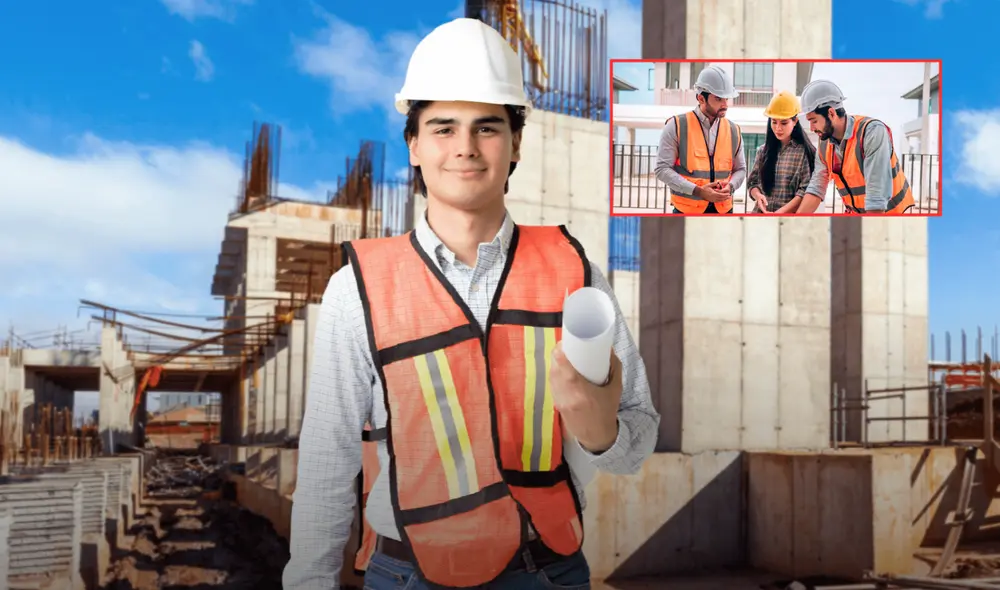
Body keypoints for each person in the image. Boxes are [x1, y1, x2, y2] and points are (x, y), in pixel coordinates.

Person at [282, 17, 660, 590]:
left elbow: (635, 445)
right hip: (405, 573)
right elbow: (327, 460)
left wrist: (598, 429)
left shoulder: (575, 273)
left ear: (515, 145)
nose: (464, 148)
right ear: (413, 145)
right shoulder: (359, 286)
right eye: (442, 128)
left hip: (547, 571)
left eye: (486, 128)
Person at [794, 79, 915, 215]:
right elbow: (816, 188)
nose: (811, 128)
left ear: (831, 114)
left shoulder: (872, 132)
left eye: (814, 121)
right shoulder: (824, 144)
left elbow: (876, 197)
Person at [653, 64, 747, 214]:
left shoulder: (734, 130)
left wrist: (731, 187)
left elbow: (741, 170)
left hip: (724, 210)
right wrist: (698, 191)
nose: (725, 104)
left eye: (726, 98)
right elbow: (662, 169)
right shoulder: (676, 126)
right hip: (687, 211)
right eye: (718, 98)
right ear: (701, 98)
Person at [746, 91, 817, 214]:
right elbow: (753, 183)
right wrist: (758, 196)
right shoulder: (763, 151)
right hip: (760, 217)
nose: (778, 128)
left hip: (787, 222)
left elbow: (805, 192)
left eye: (784, 123)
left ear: (795, 121)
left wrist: (779, 213)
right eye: (774, 122)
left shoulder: (804, 153)